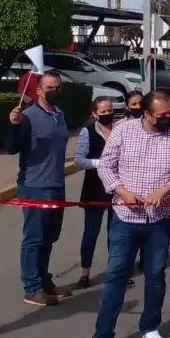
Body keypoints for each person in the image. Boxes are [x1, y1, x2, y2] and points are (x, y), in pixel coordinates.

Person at [70, 91, 170, 338]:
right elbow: (105, 165)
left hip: (161, 218)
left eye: (169, 115)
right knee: (116, 274)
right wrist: (122, 192)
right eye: (161, 116)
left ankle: (150, 328)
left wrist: (165, 191)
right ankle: (103, 337)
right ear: (147, 114)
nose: (167, 120)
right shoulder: (124, 131)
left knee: (155, 275)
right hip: (126, 218)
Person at [5, 70, 71, 306]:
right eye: (50, 88)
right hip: (35, 186)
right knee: (34, 238)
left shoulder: (60, 115)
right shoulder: (28, 116)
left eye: (57, 87)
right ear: (39, 90)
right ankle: (32, 287)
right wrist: (14, 126)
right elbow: (12, 147)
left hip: (56, 184)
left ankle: (44, 280)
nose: (54, 91)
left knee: (50, 237)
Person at [74, 96, 120, 290]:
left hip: (118, 187)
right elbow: (79, 160)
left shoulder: (120, 129)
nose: (108, 114)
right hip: (94, 187)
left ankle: (116, 271)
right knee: (91, 232)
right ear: (94, 114)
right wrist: (101, 163)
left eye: (110, 110)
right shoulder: (88, 131)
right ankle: (85, 273)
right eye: (103, 112)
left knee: (116, 233)